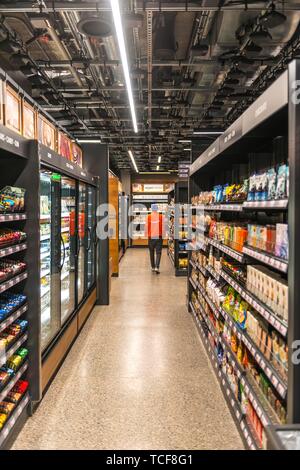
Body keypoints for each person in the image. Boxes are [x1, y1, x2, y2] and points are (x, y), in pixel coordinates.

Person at [146, 204, 164, 274]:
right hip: (159, 237)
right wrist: (164, 234)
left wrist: (146, 234)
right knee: (158, 252)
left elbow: (146, 227)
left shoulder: (148, 217)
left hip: (151, 237)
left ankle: (153, 267)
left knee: (151, 252)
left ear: (151, 209)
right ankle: (157, 267)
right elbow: (163, 227)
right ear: (157, 209)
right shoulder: (161, 216)